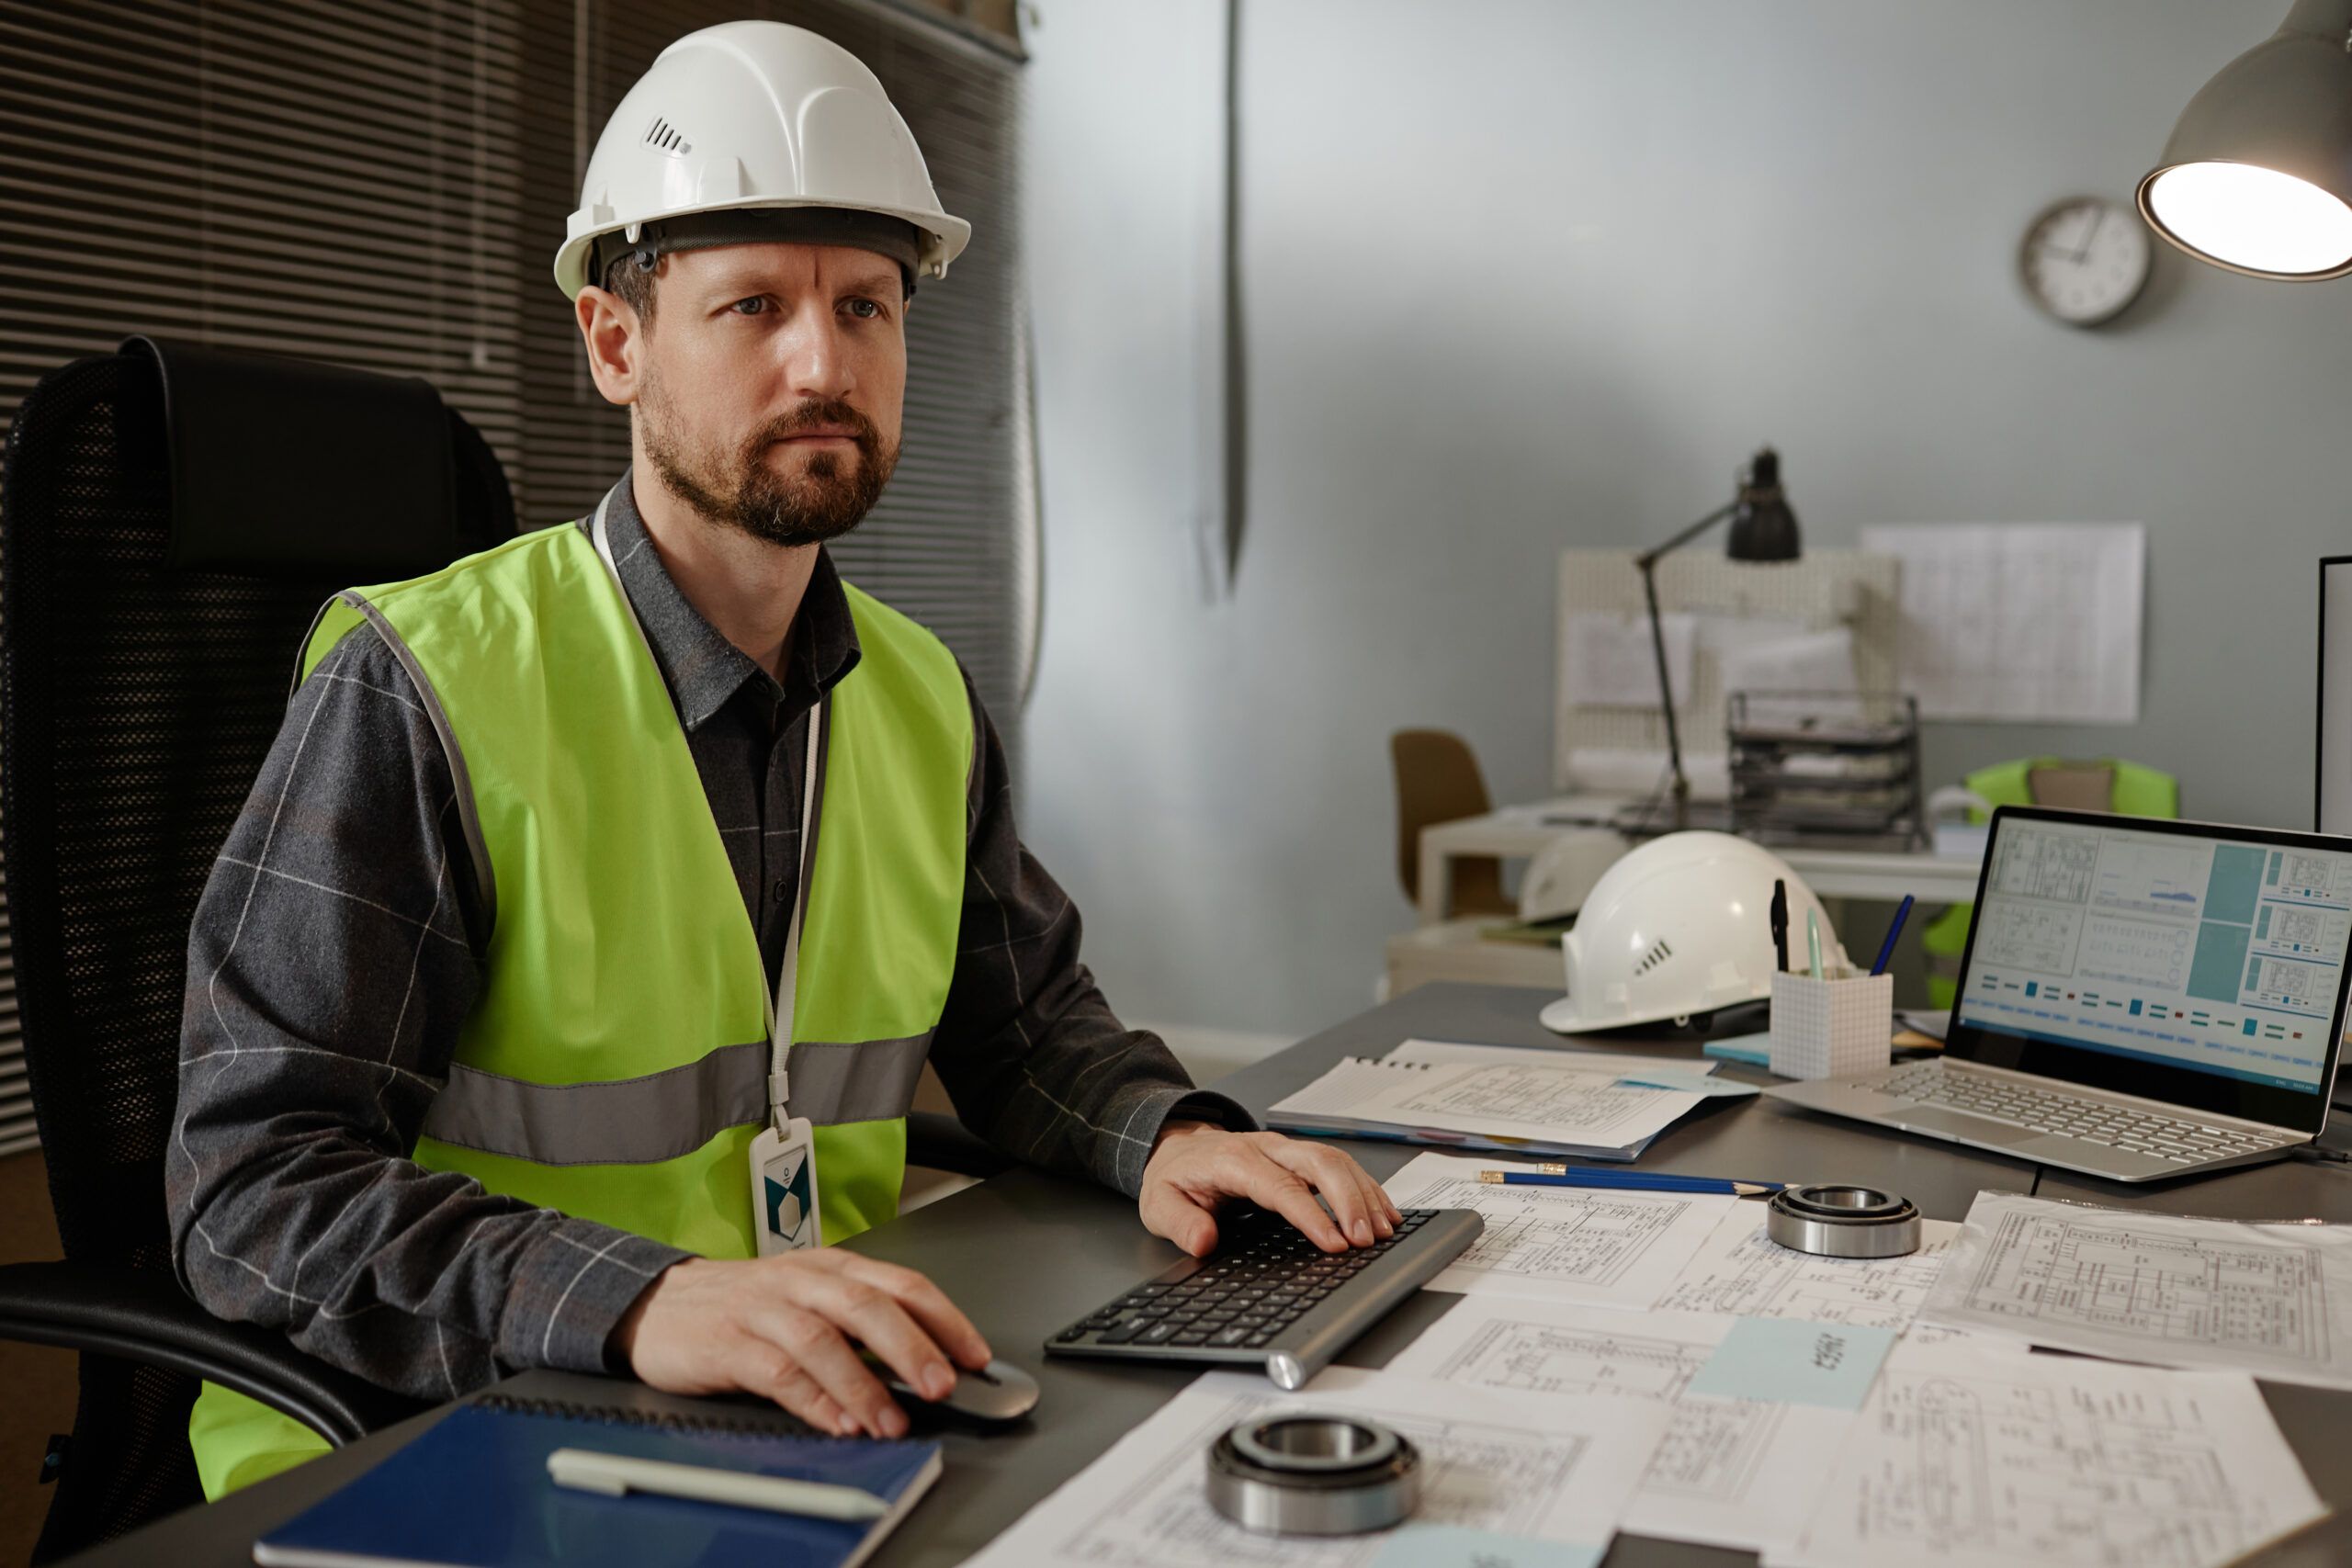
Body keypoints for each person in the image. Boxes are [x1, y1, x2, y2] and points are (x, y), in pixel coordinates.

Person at [166, 20, 1396, 1497]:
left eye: (866, 308)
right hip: (445, 1441)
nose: (826, 361)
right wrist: (638, 1300)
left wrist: (1164, 1133)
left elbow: (1027, 1031)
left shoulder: (919, 692)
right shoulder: (424, 686)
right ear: (617, 345)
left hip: (808, 1407)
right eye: (753, 304)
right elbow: (250, 1189)